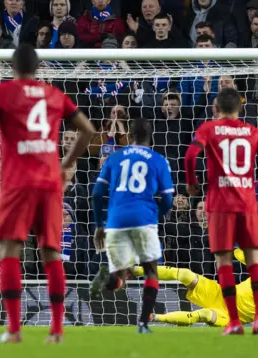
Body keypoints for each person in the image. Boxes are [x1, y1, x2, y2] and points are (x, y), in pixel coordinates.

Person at [0, 43, 95, 343]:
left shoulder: (0, 93)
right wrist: (65, 164)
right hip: (50, 182)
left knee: (10, 250)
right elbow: (88, 131)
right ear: (38, 68)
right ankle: (57, 330)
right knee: (50, 251)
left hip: (17, 183)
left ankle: (14, 330)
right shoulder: (54, 95)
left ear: (12, 68)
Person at [183, 87, 258, 335]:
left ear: (216, 108)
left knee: (224, 262)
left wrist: (192, 182)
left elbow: (190, 154)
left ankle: (235, 322)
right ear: (240, 107)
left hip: (220, 205)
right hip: (247, 204)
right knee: (253, 260)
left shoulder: (208, 129)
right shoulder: (253, 132)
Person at [89, 117, 174, 334]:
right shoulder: (158, 160)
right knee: (150, 271)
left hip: (116, 219)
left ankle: (110, 275)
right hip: (144, 217)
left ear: (130, 135)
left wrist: (99, 225)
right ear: (150, 135)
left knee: (118, 277)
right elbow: (167, 200)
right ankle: (143, 323)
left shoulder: (115, 157)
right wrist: (156, 214)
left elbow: (98, 193)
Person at [133, 249, 258, 328]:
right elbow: (238, 253)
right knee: (185, 274)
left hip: (231, 317)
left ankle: (155, 317)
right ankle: (135, 270)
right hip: (221, 293)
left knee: (203, 314)